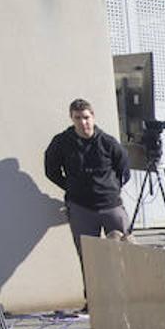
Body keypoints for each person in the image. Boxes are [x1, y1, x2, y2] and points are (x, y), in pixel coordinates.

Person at [43, 98, 130, 301]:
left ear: (93, 116)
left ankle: (127, 297)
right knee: (88, 257)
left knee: (125, 252)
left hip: (111, 206)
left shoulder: (108, 142)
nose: (83, 122)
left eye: (86, 117)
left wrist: (112, 189)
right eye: (78, 118)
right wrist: (71, 187)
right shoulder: (61, 142)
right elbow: (51, 170)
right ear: (71, 119)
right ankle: (94, 301)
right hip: (81, 208)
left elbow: (123, 170)